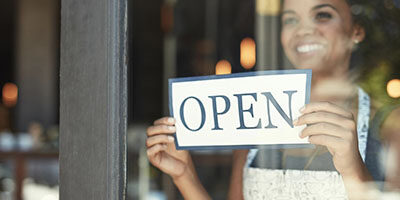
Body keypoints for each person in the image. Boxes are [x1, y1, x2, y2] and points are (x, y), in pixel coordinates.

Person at [146, 0, 400, 199]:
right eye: (290, 20)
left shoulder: (390, 125)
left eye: (322, 15)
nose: (304, 29)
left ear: (356, 30)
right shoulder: (256, 114)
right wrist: (184, 175)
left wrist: (353, 170)